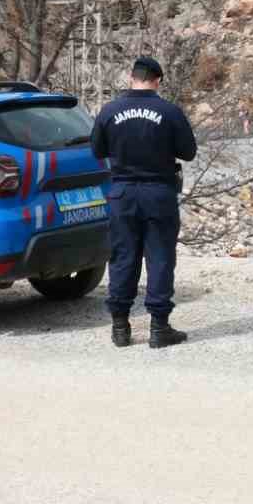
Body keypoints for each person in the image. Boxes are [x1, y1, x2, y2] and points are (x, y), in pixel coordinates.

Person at [90, 55, 197, 349]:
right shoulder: (169, 111)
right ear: (158, 80)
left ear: (131, 78)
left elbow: (97, 150)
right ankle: (159, 328)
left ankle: (120, 327)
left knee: (123, 257)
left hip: (122, 193)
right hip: (158, 192)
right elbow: (189, 152)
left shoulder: (109, 110)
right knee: (160, 257)